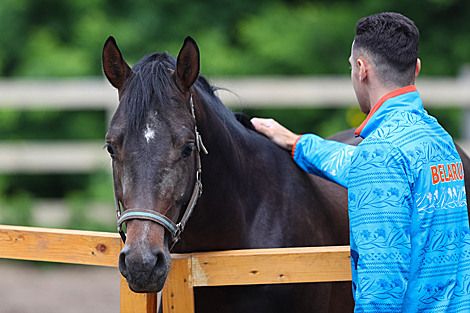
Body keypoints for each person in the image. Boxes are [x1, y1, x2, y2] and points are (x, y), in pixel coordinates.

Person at [251, 12, 470, 312]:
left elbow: (381, 291)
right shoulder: (439, 141)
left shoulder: (379, 157)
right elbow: (364, 165)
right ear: (415, 69)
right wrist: (297, 142)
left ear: (361, 69)